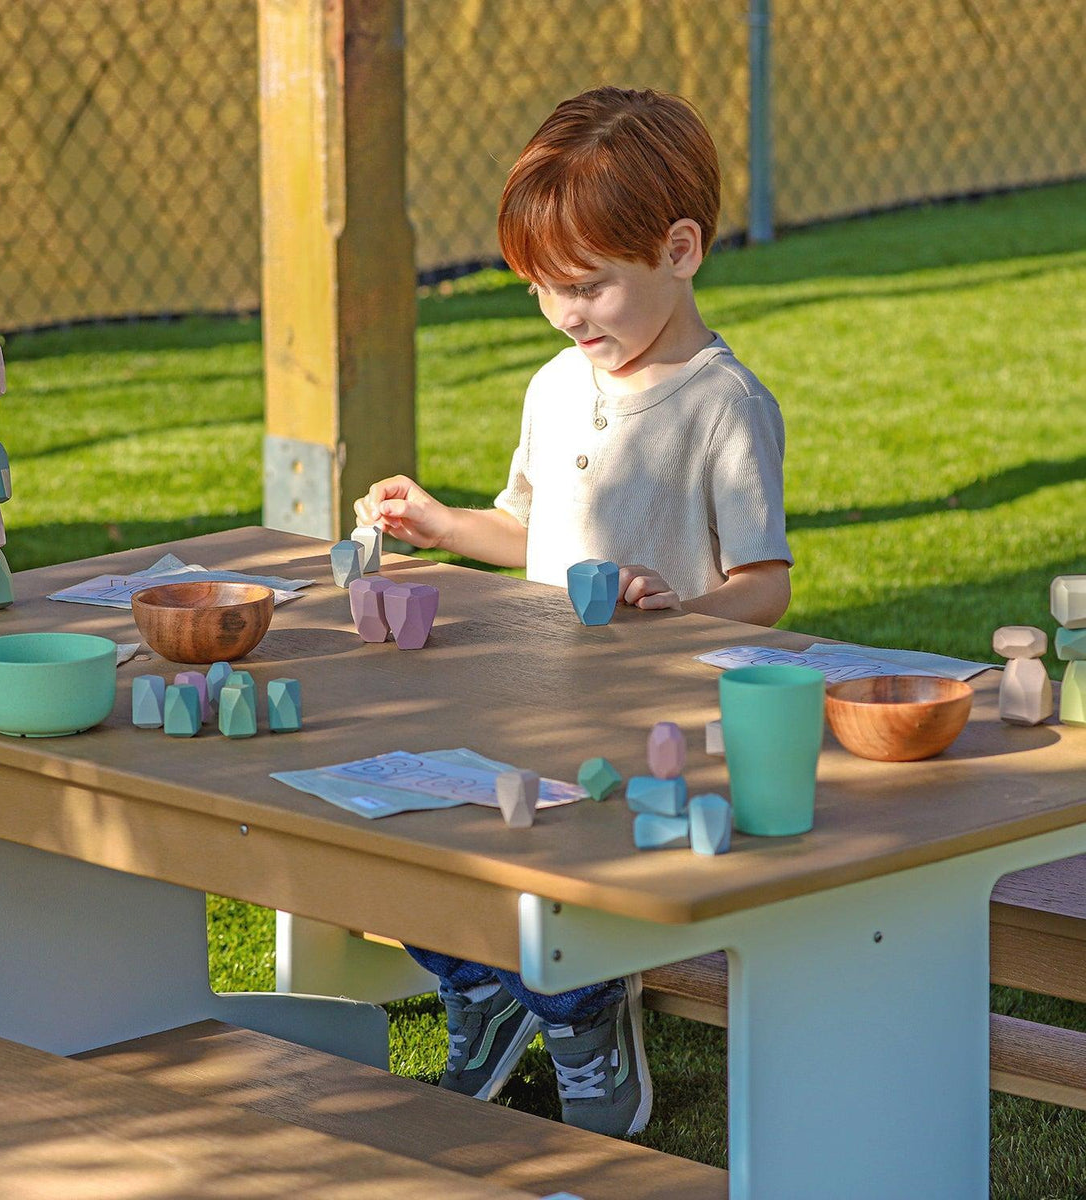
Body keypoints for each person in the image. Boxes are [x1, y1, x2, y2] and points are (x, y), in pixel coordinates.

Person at [354, 86, 793, 1139]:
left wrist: (681, 609)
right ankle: (487, 986)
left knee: (561, 876)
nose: (565, 314)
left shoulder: (723, 405)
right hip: (529, 697)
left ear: (679, 249)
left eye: (589, 287)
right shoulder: (556, 384)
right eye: (546, 290)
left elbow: (768, 589)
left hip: (644, 731)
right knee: (391, 833)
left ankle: (583, 1016)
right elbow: (533, 532)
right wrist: (447, 525)